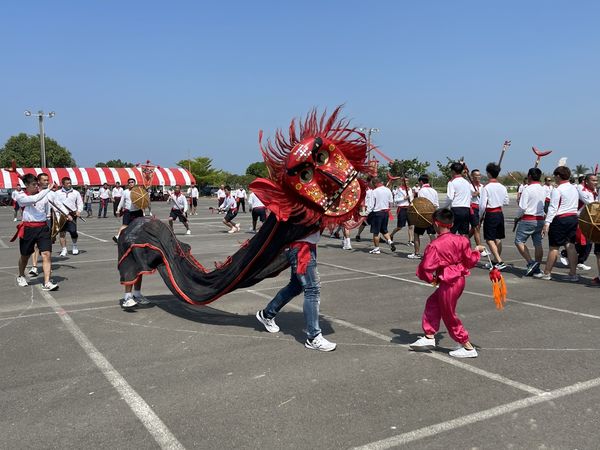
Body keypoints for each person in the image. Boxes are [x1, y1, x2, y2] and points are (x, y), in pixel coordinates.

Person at [409, 208, 484, 358]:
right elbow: (469, 260)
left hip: (449, 281)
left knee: (448, 314)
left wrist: (430, 278)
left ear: (436, 224)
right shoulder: (461, 240)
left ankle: (467, 346)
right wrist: (476, 251)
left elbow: (425, 268)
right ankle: (429, 336)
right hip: (458, 279)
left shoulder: (435, 245)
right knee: (433, 302)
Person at [256, 228, 336, 351]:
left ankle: (267, 314)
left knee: (295, 286)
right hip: (301, 248)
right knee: (312, 289)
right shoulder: (300, 208)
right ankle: (313, 337)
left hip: (305, 246)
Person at [12, 173, 58, 291]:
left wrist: (53, 229)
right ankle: (21, 275)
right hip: (28, 229)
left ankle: (47, 282)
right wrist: (47, 189)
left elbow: (48, 214)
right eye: (33, 185)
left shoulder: (43, 195)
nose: (36, 187)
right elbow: (34, 199)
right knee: (25, 256)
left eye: (37, 184)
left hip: (43, 228)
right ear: (26, 185)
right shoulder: (21, 196)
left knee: (46, 254)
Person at [534, 166, 579, 281]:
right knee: (571, 246)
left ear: (558, 176)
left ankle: (547, 273)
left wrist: (547, 223)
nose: (554, 178)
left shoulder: (557, 190)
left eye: (555, 176)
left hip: (560, 220)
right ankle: (573, 274)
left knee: (554, 247)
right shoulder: (574, 188)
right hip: (573, 218)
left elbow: (553, 208)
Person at [513, 168, 546, 276]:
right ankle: (537, 267)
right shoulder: (543, 189)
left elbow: (522, 207)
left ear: (530, 176)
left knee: (519, 241)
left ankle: (531, 263)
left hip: (528, 218)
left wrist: (517, 217)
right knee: (538, 243)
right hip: (540, 219)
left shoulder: (527, 189)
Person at [479, 162, 509, 270]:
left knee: (489, 239)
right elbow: (506, 201)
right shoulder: (502, 187)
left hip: (491, 213)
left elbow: (482, 205)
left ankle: (499, 261)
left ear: (488, 173)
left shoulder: (486, 187)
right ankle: (497, 260)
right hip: (499, 213)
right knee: (498, 238)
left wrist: (480, 217)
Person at [408, 175, 439, 259]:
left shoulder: (421, 191)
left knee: (416, 234)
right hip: (432, 215)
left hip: (422, 216)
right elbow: (436, 205)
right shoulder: (434, 191)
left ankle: (417, 253)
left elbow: (420, 204)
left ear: (421, 181)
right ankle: (435, 253)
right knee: (432, 234)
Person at [53, 177, 84, 256]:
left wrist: (79, 211)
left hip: (72, 214)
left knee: (73, 232)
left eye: (70, 183)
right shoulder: (57, 193)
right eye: (67, 183)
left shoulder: (76, 192)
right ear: (62, 184)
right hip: (61, 215)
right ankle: (64, 249)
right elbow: (55, 204)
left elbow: (80, 203)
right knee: (62, 233)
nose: (69, 184)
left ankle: (74, 246)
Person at [575, 173, 598, 271]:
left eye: (596, 180)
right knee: (583, 242)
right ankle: (567, 254)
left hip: (590, 219)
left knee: (588, 242)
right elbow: (591, 204)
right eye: (593, 180)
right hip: (580, 218)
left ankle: (580, 261)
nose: (595, 182)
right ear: (586, 181)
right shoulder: (581, 189)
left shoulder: (594, 191)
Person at [367, 177, 396, 254]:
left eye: (373, 184)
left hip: (377, 213)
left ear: (375, 183)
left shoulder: (375, 191)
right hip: (385, 213)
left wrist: (366, 213)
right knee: (384, 230)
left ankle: (376, 248)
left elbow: (371, 205)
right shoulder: (388, 190)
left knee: (376, 232)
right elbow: (391, 202)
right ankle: (390, 242)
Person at [443, 162, 472, 236]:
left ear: (453, 171)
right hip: (466, 209)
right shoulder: (467, 183)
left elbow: (450, 197)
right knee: (464, 234)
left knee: (451, 232)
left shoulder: (452, 182)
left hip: (456, 209)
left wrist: (443, 208)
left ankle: (451, 247)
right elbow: (470, 196)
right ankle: (465, 247)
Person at [113, 178, 144, 243]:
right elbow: (121, 202)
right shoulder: (125, 192)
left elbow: (143, 201)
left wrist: (145, 210)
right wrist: (118, 209)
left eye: (132, 182)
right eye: (129, 182)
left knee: (140, 225)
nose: (131, 183)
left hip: (137, 211)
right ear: (128, 184)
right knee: (125, 225)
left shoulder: (139, 191)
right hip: (128, 211)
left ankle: (141, 238)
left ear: (135, 183)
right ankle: (118, 237)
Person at [468, 169, 485, 252]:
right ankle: (480, 248)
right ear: (472, 176)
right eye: (476, 175)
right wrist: (473, 195)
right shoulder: (469, 186)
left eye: (479, 175)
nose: (478, 177)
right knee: (476, 228)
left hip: (481, 208)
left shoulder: (482, 186)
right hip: (472, 207)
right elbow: (465, 198)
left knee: (475, 228)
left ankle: (465, 240)